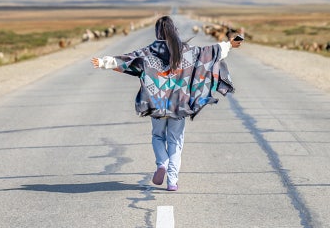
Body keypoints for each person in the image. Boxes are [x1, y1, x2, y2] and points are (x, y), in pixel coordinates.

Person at [91, 15, 242, 192]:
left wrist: (103, 62)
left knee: (157, 136)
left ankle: (161, 164)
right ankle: (172, 180)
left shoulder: (149, 51)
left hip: (156, 103)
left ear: (157, 32)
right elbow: (210, 52)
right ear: (174, 30)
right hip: (179, 105)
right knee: (175, 140)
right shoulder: (188, 51)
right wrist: (229, 44)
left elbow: (127, 61)